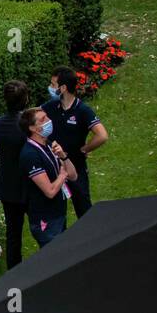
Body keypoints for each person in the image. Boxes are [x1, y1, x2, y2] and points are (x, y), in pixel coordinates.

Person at [43, 66, 108, 220]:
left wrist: (85, 148)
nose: (50, 88)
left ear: (63, 88)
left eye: (53, 85)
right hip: (54, 167)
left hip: (75, 166)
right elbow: (31, 119)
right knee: (55, 211)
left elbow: (102, 135)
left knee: (83, 208)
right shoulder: (51, 106)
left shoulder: (82, 110)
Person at [19, 106, 78, 248]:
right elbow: (50, 191)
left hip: (58, 213)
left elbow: (73, 176)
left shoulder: (49, 144)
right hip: (46, 219)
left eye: (47, 117)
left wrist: (63, 156)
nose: (49, 121)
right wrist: (62, 175)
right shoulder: (30, 154)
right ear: (33, 128)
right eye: (43, 120)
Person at [0, 80, 30, 270]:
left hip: (8, 185)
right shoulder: (26, 126)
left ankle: (14, 271)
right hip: (28, 184)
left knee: (13, 234)